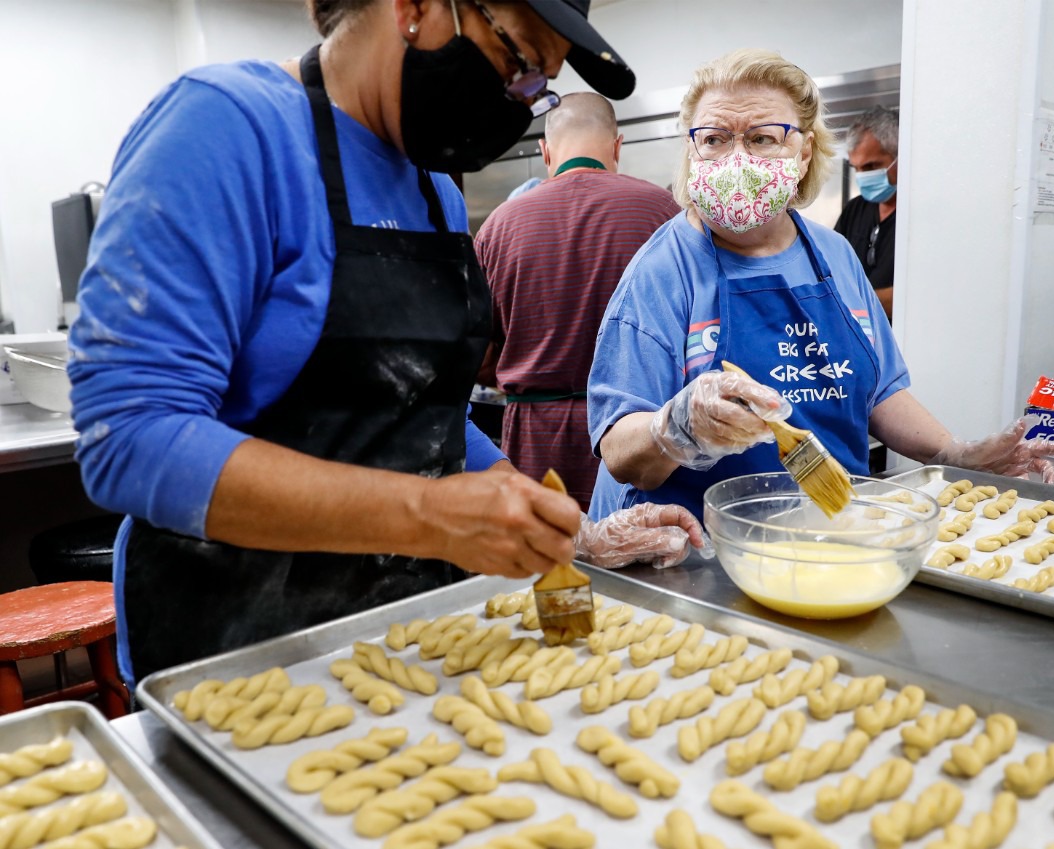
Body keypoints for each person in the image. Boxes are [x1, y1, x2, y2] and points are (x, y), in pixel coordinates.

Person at [67, 0, 707, 687]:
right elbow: (129, 438)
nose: (518, 103)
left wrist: (563, 528)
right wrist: (427, 514)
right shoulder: (226, 128)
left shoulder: (435, 189)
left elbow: (423, 416)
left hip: (406, 638)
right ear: (417, 7)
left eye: (537, 86)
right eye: (517, 62)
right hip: (239, 645)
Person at [587, 49, 1054, 522]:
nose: (736, 158)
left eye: (762, 138)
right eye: (714, 139)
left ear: (803, 153)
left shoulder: (832, 254)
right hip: (705, 550)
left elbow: (879, 392)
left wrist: (952, 453)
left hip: (833, 530)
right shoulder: (662, 270)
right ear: (693, 152)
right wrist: (678, 426)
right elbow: (621, 452)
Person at [474, 92, 679, 510]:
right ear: (618, 146)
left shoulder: (498, 225)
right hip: (635, 440)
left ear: (544, 151)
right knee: (639, 558)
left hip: (534, 442)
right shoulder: (665, 212)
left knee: (544, 560)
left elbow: (476, 353)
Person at [835, 105, 899, 321]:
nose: (863, 176)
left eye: (871, 166)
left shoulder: (917, 216)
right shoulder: (855, 210)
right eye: (857, 168)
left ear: (900, 158)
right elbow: (829, 272)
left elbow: (915, 296)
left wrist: (849, 301)